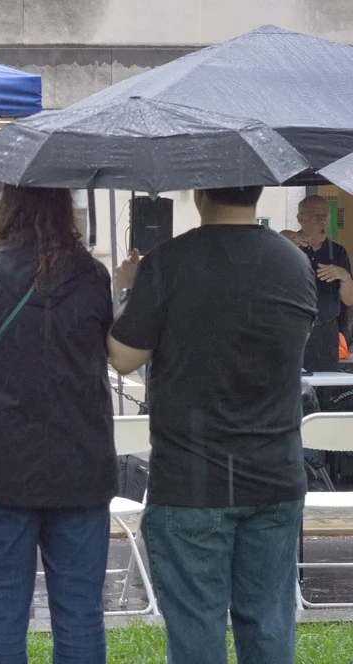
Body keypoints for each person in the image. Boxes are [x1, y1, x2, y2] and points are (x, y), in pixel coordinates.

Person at [109, 186, 317, 664]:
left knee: (196, 627)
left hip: (190, 476)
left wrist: (129, 288)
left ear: (200, 192)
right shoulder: (292, 262)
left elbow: (123, 357)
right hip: (276, 472)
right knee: (268, 620)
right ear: (259, 191)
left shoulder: (167, 262)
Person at [0, 186, 116, 664]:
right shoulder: (94, 276)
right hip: (81, 462)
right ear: (65, 208)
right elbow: (104, 354)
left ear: (9, 207)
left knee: (0, 611)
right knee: (80, 613)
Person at [280, 194, 353, 371]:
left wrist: (344, 276)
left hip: (325, 331)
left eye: (325, 216)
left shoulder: (337, 251)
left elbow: (349, 300)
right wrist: (284, 237)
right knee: (293, 387)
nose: (322, 221)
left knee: (325, 389)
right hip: (292, 330)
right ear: (300, 219)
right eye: (316, 215)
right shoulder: (285, 246)